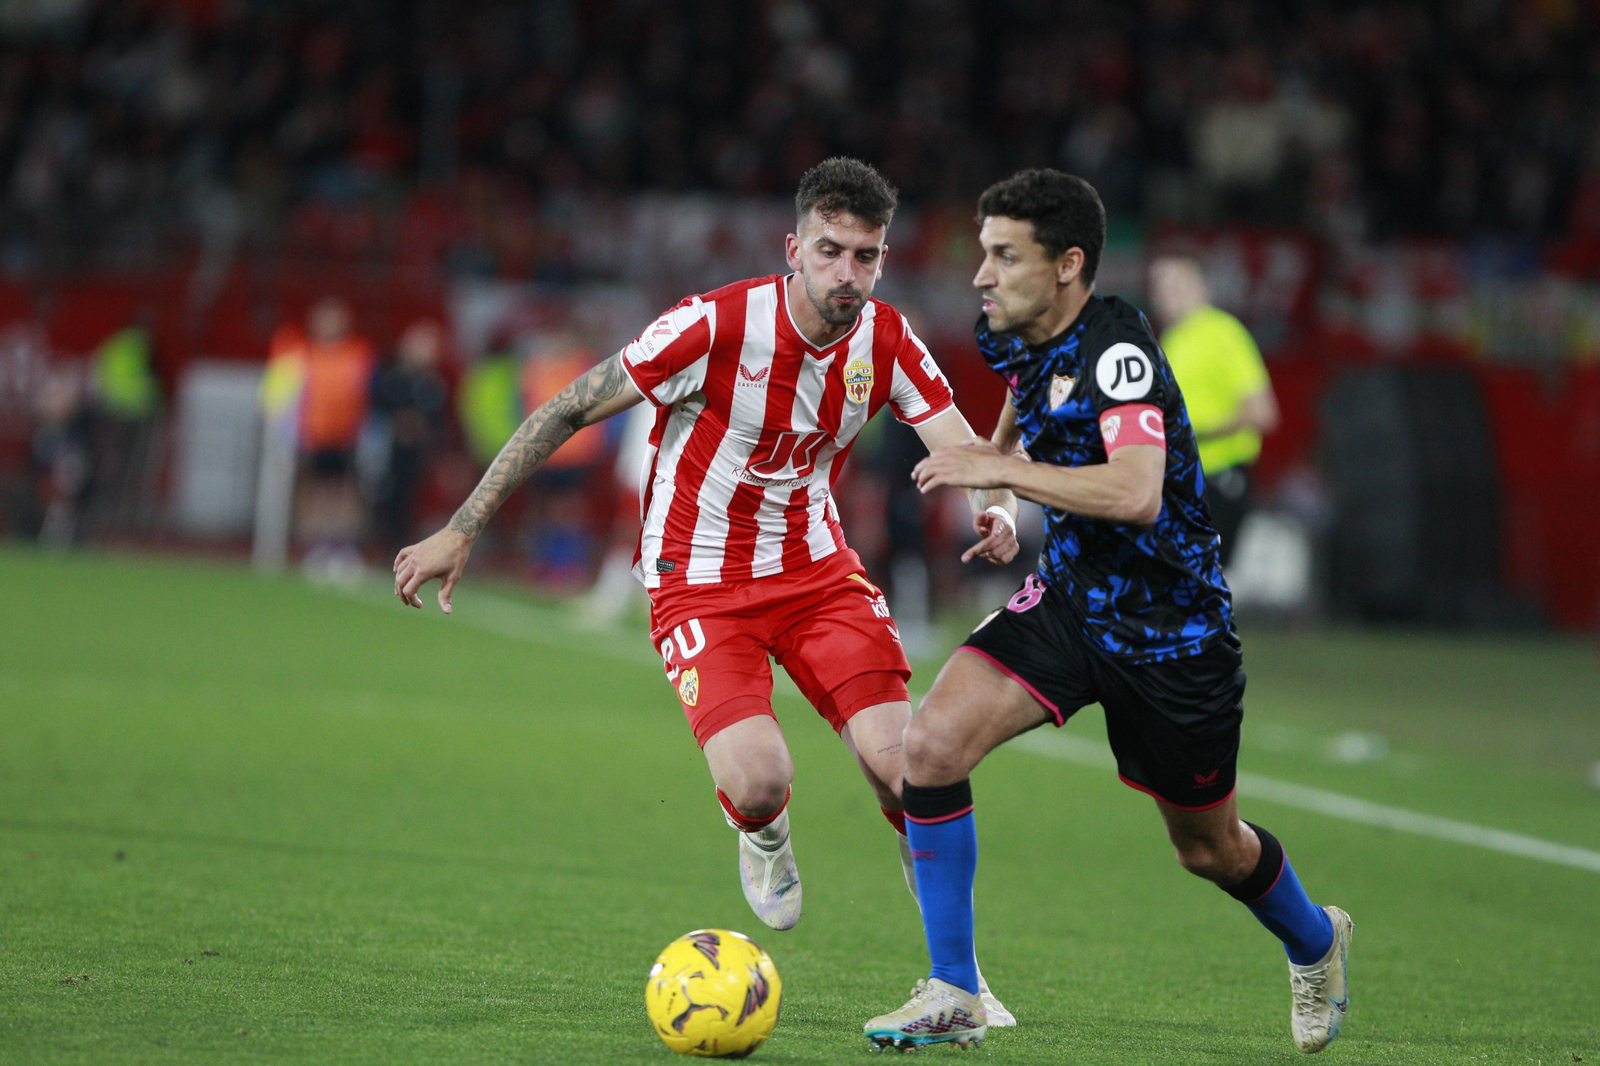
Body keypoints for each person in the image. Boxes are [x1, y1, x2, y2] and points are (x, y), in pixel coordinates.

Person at [392, 158, 1021, 1023]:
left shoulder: (888, 339)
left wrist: (999, 508)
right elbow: (570, 406)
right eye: (831, 252)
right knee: (761, 781)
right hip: (698, 584)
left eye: (865, 257)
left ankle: (959, 979)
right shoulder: (716, 325)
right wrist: (462, 526)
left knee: (910, 770)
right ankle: (763, 834)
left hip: (818, 577)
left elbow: (960, 441)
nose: (848, 274)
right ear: (793, 247)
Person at [862, 170, 1351, 1053]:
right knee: (928, 748)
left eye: (1004, 256)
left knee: (1210, 850)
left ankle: (1317, 941)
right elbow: (1022, 387)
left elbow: (1135, 494)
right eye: (984, 252)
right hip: (1073, 602)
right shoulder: (1014, 330)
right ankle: (954, 989)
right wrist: (1003, 481)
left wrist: (999, 471)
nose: (981, 274)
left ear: (1067, 265)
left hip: (1175, 636)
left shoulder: (1118, 349)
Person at [1147, 255, 1279, 567]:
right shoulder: (1172, 339)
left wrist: (1191, 432)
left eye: (1176, 284)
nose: (1165, 294)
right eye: (1158, 286)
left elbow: (1263, 412)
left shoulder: (1222, 333)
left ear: (1201, 286)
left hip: (1218, 477)